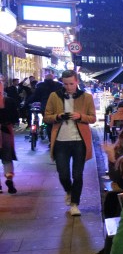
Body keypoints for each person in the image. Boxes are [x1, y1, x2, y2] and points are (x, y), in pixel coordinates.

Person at [44, 70, 97, 216]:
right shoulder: (54, 96)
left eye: (71, 84)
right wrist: (58, 116)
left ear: (77, 82)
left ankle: (75, 204)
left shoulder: (86, 97)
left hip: (79, 141)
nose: (68, 87)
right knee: (63, 174)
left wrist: (80, 116)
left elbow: (93, 118)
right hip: (61, 141)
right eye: (65, 84)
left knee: (78, 175)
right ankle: (69, 191)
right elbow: (47, 117)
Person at [0, 80, 18, 193]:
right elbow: (15, 118)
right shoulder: (9, 101)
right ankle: (9, 177)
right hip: (6, 131)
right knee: (7, 157)